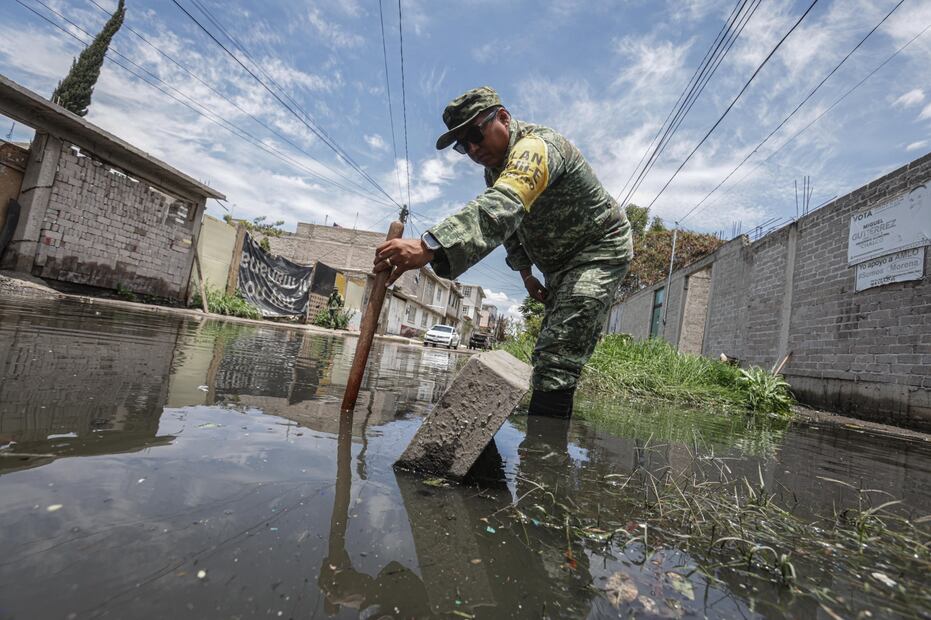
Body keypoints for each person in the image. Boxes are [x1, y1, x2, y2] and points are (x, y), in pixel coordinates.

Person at [374, 86, 632, 418]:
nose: (472, 149)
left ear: (504, 118)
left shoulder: (536, 148)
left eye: (474, 135)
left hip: (599, 250)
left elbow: (504, 205)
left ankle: (544, 459)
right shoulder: (493, 171)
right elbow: (512, 231)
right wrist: (526, 274)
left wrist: (428, 246)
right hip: (558, 264)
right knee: (549, 352)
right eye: (461, 145)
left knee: (558, 354)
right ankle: (543, 425)